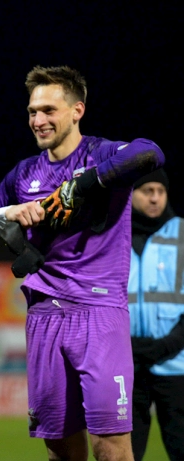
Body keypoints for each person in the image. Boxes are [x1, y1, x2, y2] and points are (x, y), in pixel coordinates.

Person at [0, 65, 165, 461]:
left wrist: (81, 186)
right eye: (33, 111)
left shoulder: (101, 153)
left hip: (99, 315)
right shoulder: (25, 173)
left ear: (77, 110)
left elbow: (150, 152)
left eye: (49, 110)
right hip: (43, 317)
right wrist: (12, 212)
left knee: (112, 448)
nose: (38, 120)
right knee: (60, 448)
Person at [127, 168, 184, 460]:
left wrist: (166, 345)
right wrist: (126, 346)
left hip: (175, 365)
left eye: (161, 191)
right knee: (126, 453)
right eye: (147, 191)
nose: (155, 198)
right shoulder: (114, 237)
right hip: (127, 365)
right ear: (131, 194)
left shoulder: (182, 234)